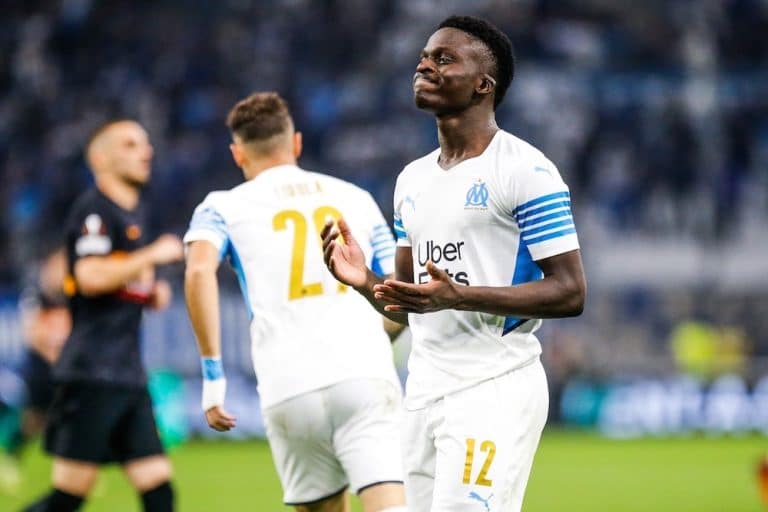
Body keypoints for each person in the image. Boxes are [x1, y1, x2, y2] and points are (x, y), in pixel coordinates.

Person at [322, 15, 587, 512]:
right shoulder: (411, 180)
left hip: (493, 386)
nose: (424, 65)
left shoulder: (527, 171)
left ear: (484, 84)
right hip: (423, 393)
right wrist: (364, 280)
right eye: (424, 57)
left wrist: (460, 296)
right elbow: (410, 305)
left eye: (443, 59)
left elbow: (571, 292)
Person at [183, 92, 407, 512]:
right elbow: (401, 290)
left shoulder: (221, 207)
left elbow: (198, 272)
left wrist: (213, 378)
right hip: (363, 373)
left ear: (237, 154)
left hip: (287, 385)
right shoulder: (355, 198)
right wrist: (378, 338)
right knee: (390, 504)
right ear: (297, 143)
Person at [22, 120, 184, 512]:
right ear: (100, 158)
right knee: (68, 497)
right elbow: (90, 276)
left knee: (159, 490)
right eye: (130, 144)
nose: (145, 151)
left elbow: (120, 279)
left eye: (145, 144)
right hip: (93, 373)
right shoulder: (94, 211)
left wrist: (151, 292)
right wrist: (151, 256)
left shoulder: (134, 215)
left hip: (126, 373)